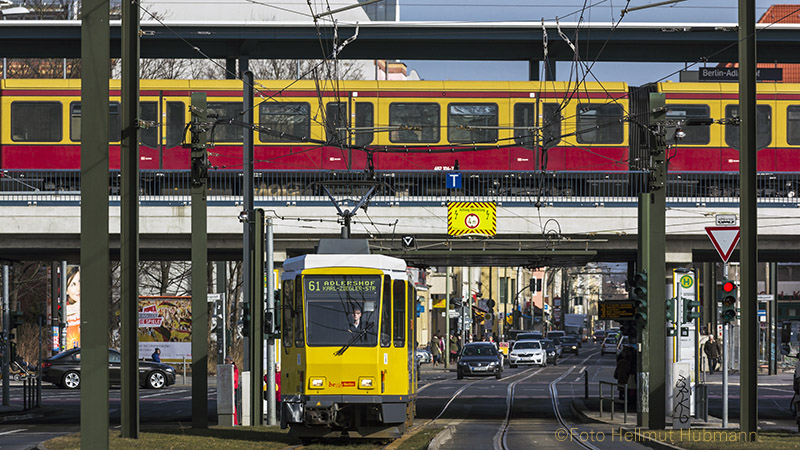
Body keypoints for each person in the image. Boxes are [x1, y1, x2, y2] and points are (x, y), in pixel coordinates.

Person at [226, 356, 240, 425]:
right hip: (231, 388)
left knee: (232, 405)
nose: (225, 363)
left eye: (226, 361)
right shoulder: (233, 368)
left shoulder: (233, 368)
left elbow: (233, 379)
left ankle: (234, 421)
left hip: (232, 388)